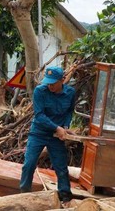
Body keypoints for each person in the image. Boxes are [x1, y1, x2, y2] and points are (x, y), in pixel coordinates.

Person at [19, 66, 76, 203]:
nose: (49, 85)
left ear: (62, 80)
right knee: (29, 164)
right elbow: (39, 115)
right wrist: (56, 127)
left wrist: (65, 127)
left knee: (61, 167)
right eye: (48, 82)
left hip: (56, 136)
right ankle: (24, 193)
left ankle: (65, 197)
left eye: (53, 83)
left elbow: (69, 111)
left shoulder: (70, 93)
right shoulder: (40, 91)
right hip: (38, 132)